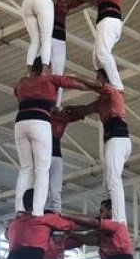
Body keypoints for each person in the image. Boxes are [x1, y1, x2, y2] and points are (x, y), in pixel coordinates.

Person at [15, 66, 99, 216]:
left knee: (26, 168)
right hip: (40, 123)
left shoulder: (22, 83)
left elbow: (17, 93)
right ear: (44, 69)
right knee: (42, 172)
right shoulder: (50, 80)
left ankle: (20, 209)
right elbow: (76, 85)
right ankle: (38, 212)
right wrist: (98, 88)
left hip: (21, 122)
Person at [63, 72, 130, 222]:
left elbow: (96, 85)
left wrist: (77, 77)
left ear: (105, 80)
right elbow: (86, 109)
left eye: (98, 77)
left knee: (113, 180)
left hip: (117, 138)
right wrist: (70, 108)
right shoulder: (101, 102)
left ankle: (119, 219)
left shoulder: (113, 92)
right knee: (110, 181)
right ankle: (112, 212)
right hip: (114, 139)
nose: (96, 80)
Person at [21, 0, 88, 72]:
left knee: (58, 70)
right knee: (39, 63)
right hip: (46, 35)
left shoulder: (64, 2)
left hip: (59, 37)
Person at [5, 191, 77, 259]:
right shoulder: (45, 219)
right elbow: (72, 226)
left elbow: (7, 235)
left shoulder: (14, 224)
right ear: (40, 201)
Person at [71, 0, 123, 90]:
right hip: (105, 21)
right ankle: (102, 82)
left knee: (102, 53)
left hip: (110, 19)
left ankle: (117, 86)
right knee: (97, 60)